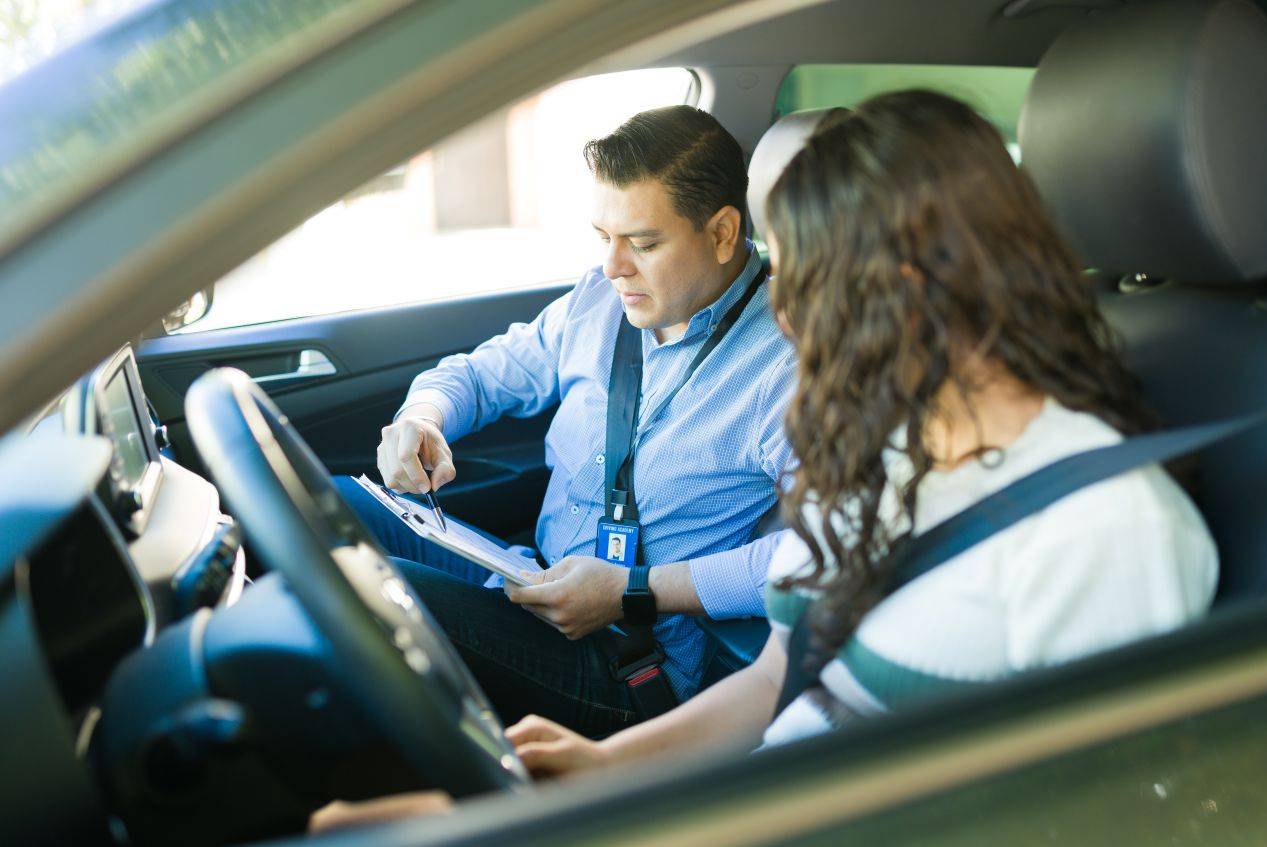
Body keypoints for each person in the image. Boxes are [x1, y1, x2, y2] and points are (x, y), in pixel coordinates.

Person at [494, 89, 1219, 773]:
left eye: (805, 281)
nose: (782, 316)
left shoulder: (1104, 527)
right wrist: (604, 767)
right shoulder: (884, 455)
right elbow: (778, 679)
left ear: (903, 292)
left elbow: (1091, 803)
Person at [334, 105, 796, 737]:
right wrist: (422, 417)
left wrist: (634, 589)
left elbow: (811, 558)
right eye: (603, 237)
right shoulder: (600, 302)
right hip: (528, 576)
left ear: (721, 233)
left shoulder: (787, 365)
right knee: (326, 506)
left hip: (625, 661)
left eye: (643, 242)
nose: (613, 266)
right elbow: (478, 374)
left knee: (365, 593)